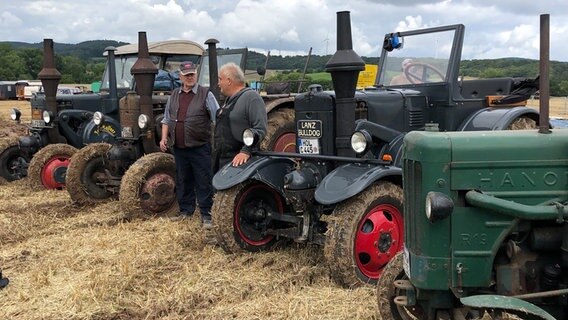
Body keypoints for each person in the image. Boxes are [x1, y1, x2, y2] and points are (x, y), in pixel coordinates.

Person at [160, 61, 219, 227]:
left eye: (192, 74)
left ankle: (207, 214)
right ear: (180, 77)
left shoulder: (206, 94)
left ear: (196, 75)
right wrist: (164, 138)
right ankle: (186, 211)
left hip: (200, 147)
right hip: (179, 147)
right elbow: (166, 119)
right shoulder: (174, 95)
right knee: (183, 179)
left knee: (203, 180)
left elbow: (217, 118)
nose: (190, 77)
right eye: (187, 75)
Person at [213, 62, 267, 172]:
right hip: (223, 159)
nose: (218, 83)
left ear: (229, 81)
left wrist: (246, 151)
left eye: (220, 79)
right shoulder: (228, 100)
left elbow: (260, 129)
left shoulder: (252, 98)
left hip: (239, 162)